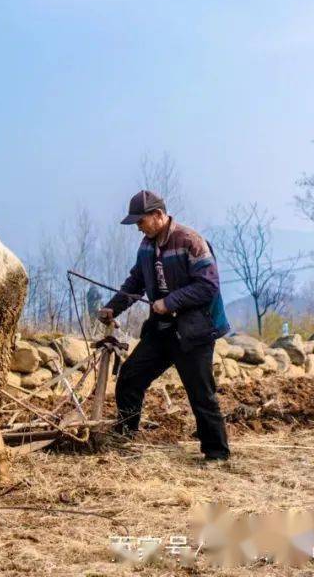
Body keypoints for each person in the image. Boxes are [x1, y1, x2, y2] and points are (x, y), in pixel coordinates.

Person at [97, 189, 231, 462]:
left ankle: (216, 454)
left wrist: (170, 302)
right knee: (131, 377)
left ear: (158, 215)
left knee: (201, 393)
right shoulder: (146, 246)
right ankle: (124, 437)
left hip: (194, 330)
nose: (138, 227)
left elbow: (208, 286)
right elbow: (136, 281)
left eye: (141, 221)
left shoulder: (190, 241)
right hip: (161, 329)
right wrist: (113, 307)